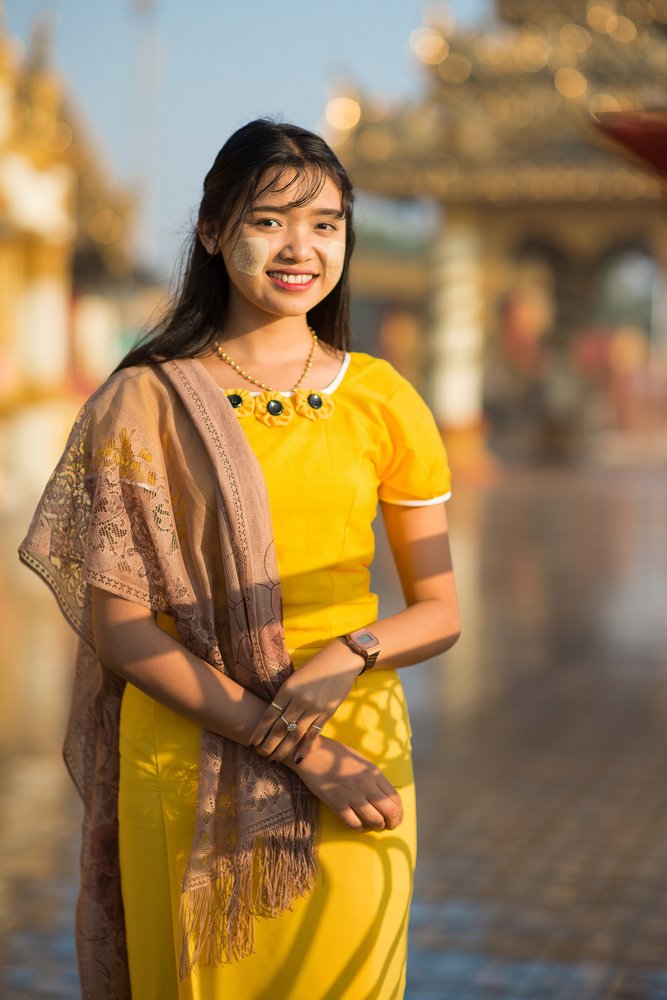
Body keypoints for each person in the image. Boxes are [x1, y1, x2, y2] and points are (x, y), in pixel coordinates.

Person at [18, 118, 461, 1000]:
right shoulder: (143, 400)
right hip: (191, 746)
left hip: (358, 739)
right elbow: (123, 634)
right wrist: (298, 749)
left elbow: (440, 610)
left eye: (326, 224)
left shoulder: (381, 398)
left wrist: (346, 657)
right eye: (270, 220)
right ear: (214, 233)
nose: (301, 247)